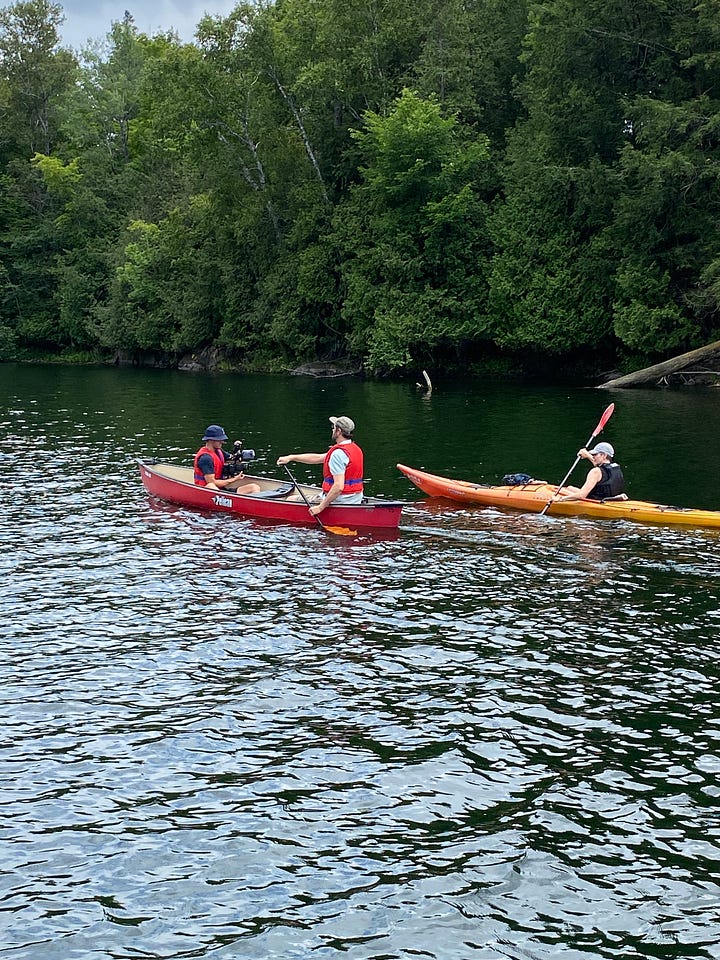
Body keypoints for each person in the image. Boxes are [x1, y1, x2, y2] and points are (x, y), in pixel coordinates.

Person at [276, 415, 364, 516]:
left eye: (333, 428)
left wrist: (320, 507)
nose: (332, 430)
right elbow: (317, 458)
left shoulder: (337, 454)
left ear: (338, 431)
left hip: (340, 501)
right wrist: (291, 457)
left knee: (290, 499)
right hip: (355, 499)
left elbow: (338, 487)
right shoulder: (354, 449)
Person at [193, 425, 262, 494]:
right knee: (211, 485)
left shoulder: (218, 450)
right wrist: (234, 479)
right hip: (207, 492)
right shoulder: (205, 458)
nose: (222, 442)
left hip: (221, 489)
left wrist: (239, 456)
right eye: (220, 439)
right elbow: (212, 482)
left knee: (254, 487)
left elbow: (231, 458)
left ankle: (256, 503)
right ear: (211, 440)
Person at [559, 441, 626, 502]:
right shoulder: (616, 468)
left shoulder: (595, 472)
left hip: (596, 501)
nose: (593, 457)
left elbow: (582, 495)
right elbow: (601, 468)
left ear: (604, 455)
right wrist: (588, 456)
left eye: (595, 454)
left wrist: (561, 499)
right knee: (569, 488)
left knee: (563, 490)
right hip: (611, 499)